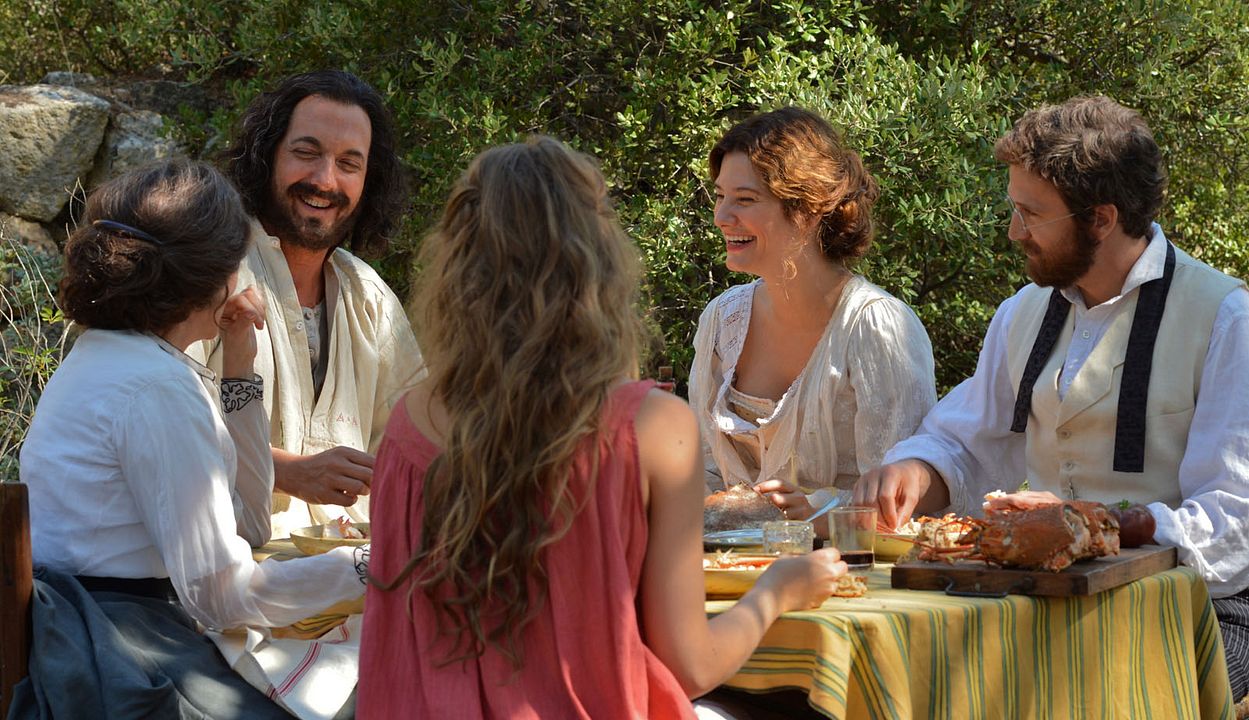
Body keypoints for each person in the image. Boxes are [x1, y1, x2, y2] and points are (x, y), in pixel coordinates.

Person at [357, 136, 847, 718]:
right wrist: (777, 592)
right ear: (597, 260)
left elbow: (389, 655)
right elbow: (689, 667)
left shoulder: (407, 427)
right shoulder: (654, 427)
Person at [853, 95, 1249, 699]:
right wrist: (918, 467)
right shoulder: (1022, 313)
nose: (1014, 232)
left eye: (1030, 214)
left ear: (1101, 218)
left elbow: (1234, 522)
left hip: (1195, 609)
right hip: (1036, 603)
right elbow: (963, 440)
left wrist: (1092, 526)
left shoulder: (1226, 319)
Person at [16, 160, 366, 718]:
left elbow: (246, 526)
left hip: (112, 629)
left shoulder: (120, 356)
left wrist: (239, 364)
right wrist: (367, 565)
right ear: (219, 275)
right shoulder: (154, 386)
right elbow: (223, 597)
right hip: (121, 651)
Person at [200, 69, 426, 537]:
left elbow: (416, 441)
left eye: (349, 164)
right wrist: (285, 473)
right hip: (228, 585)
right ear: (266, 157)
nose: (325, 180)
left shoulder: (370, 297)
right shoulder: (211, 271)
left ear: (369, 182)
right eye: (306, 153)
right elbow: (161, 432)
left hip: (346, 584)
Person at [689, 107, 937, 528]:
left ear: (809, 209)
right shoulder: (722, 319)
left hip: (850, 580)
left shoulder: (876, 327)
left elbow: (902, 501)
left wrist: (820, 510)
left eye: (745, 199)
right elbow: (705, 467)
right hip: (729, 576)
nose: (721, 217)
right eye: (719, 196)